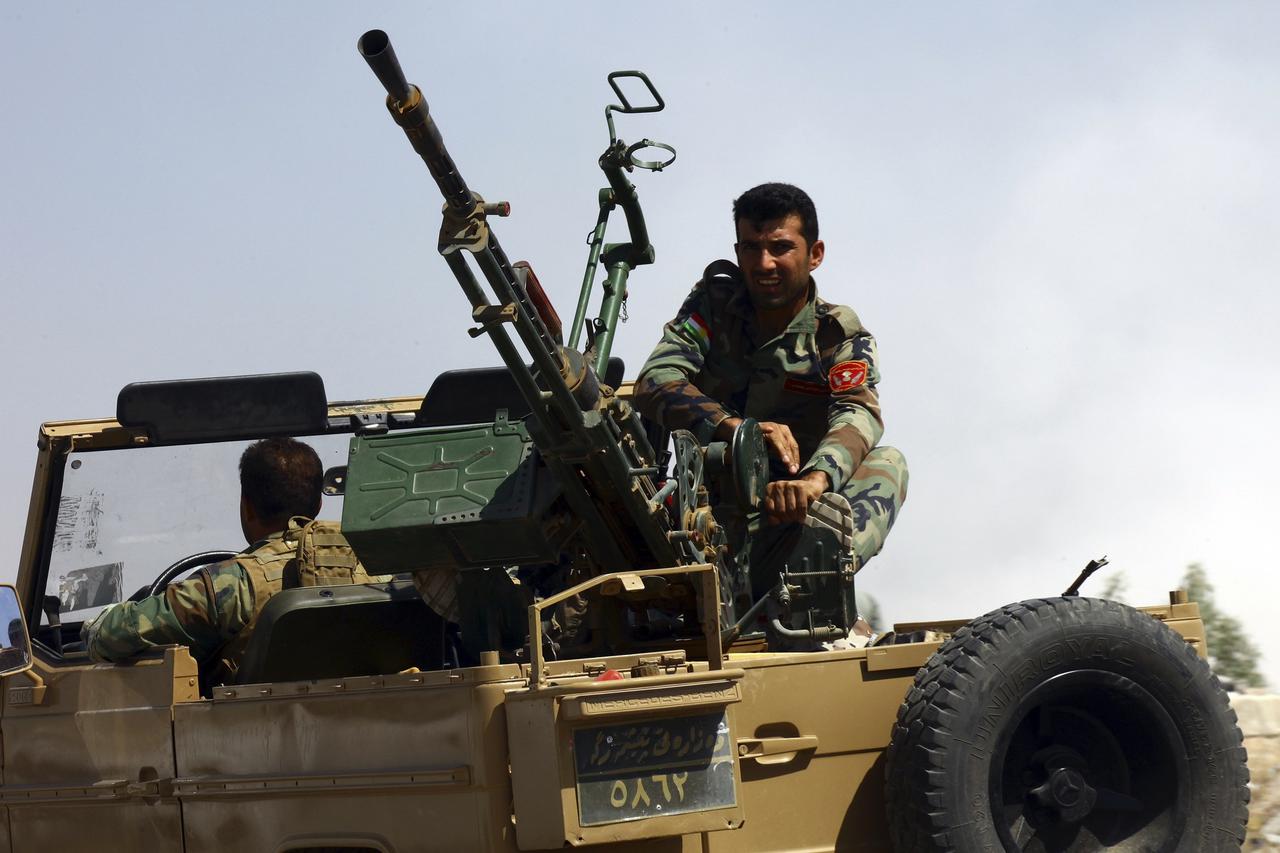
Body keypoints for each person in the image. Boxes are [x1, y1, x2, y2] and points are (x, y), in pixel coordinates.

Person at [634, 182, 908, 581]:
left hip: (795, 518)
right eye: (751, 248)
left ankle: (810, 586)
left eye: (780, 247)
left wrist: (815, 481)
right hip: (707, 521)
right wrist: (735, 429)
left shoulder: (836, 335)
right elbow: (656, 380)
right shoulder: (713, 306)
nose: (764, 264)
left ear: (814, 254)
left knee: (889, 464)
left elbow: (858, 413)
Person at [81, 437, 378, 684]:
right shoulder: (379, 569)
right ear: (318, 504)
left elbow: (111, 636)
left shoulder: (229, 585)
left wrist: (98, 624)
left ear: (246, 506)